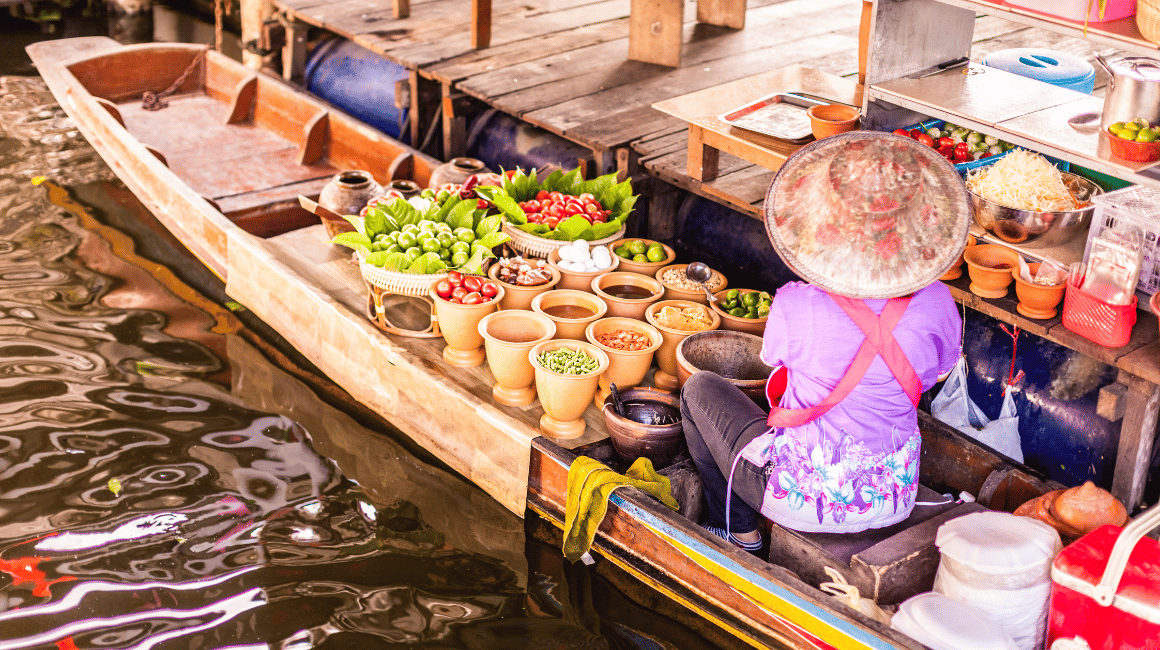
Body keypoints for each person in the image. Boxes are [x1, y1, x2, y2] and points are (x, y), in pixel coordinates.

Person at [681, 133, 970, 549]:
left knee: (698, 389)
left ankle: (739, 532)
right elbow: (934, 376)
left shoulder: (796, 303)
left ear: (826, 224)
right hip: (894, 495)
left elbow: (773, 361)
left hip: (800, 496)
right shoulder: (939, 301)